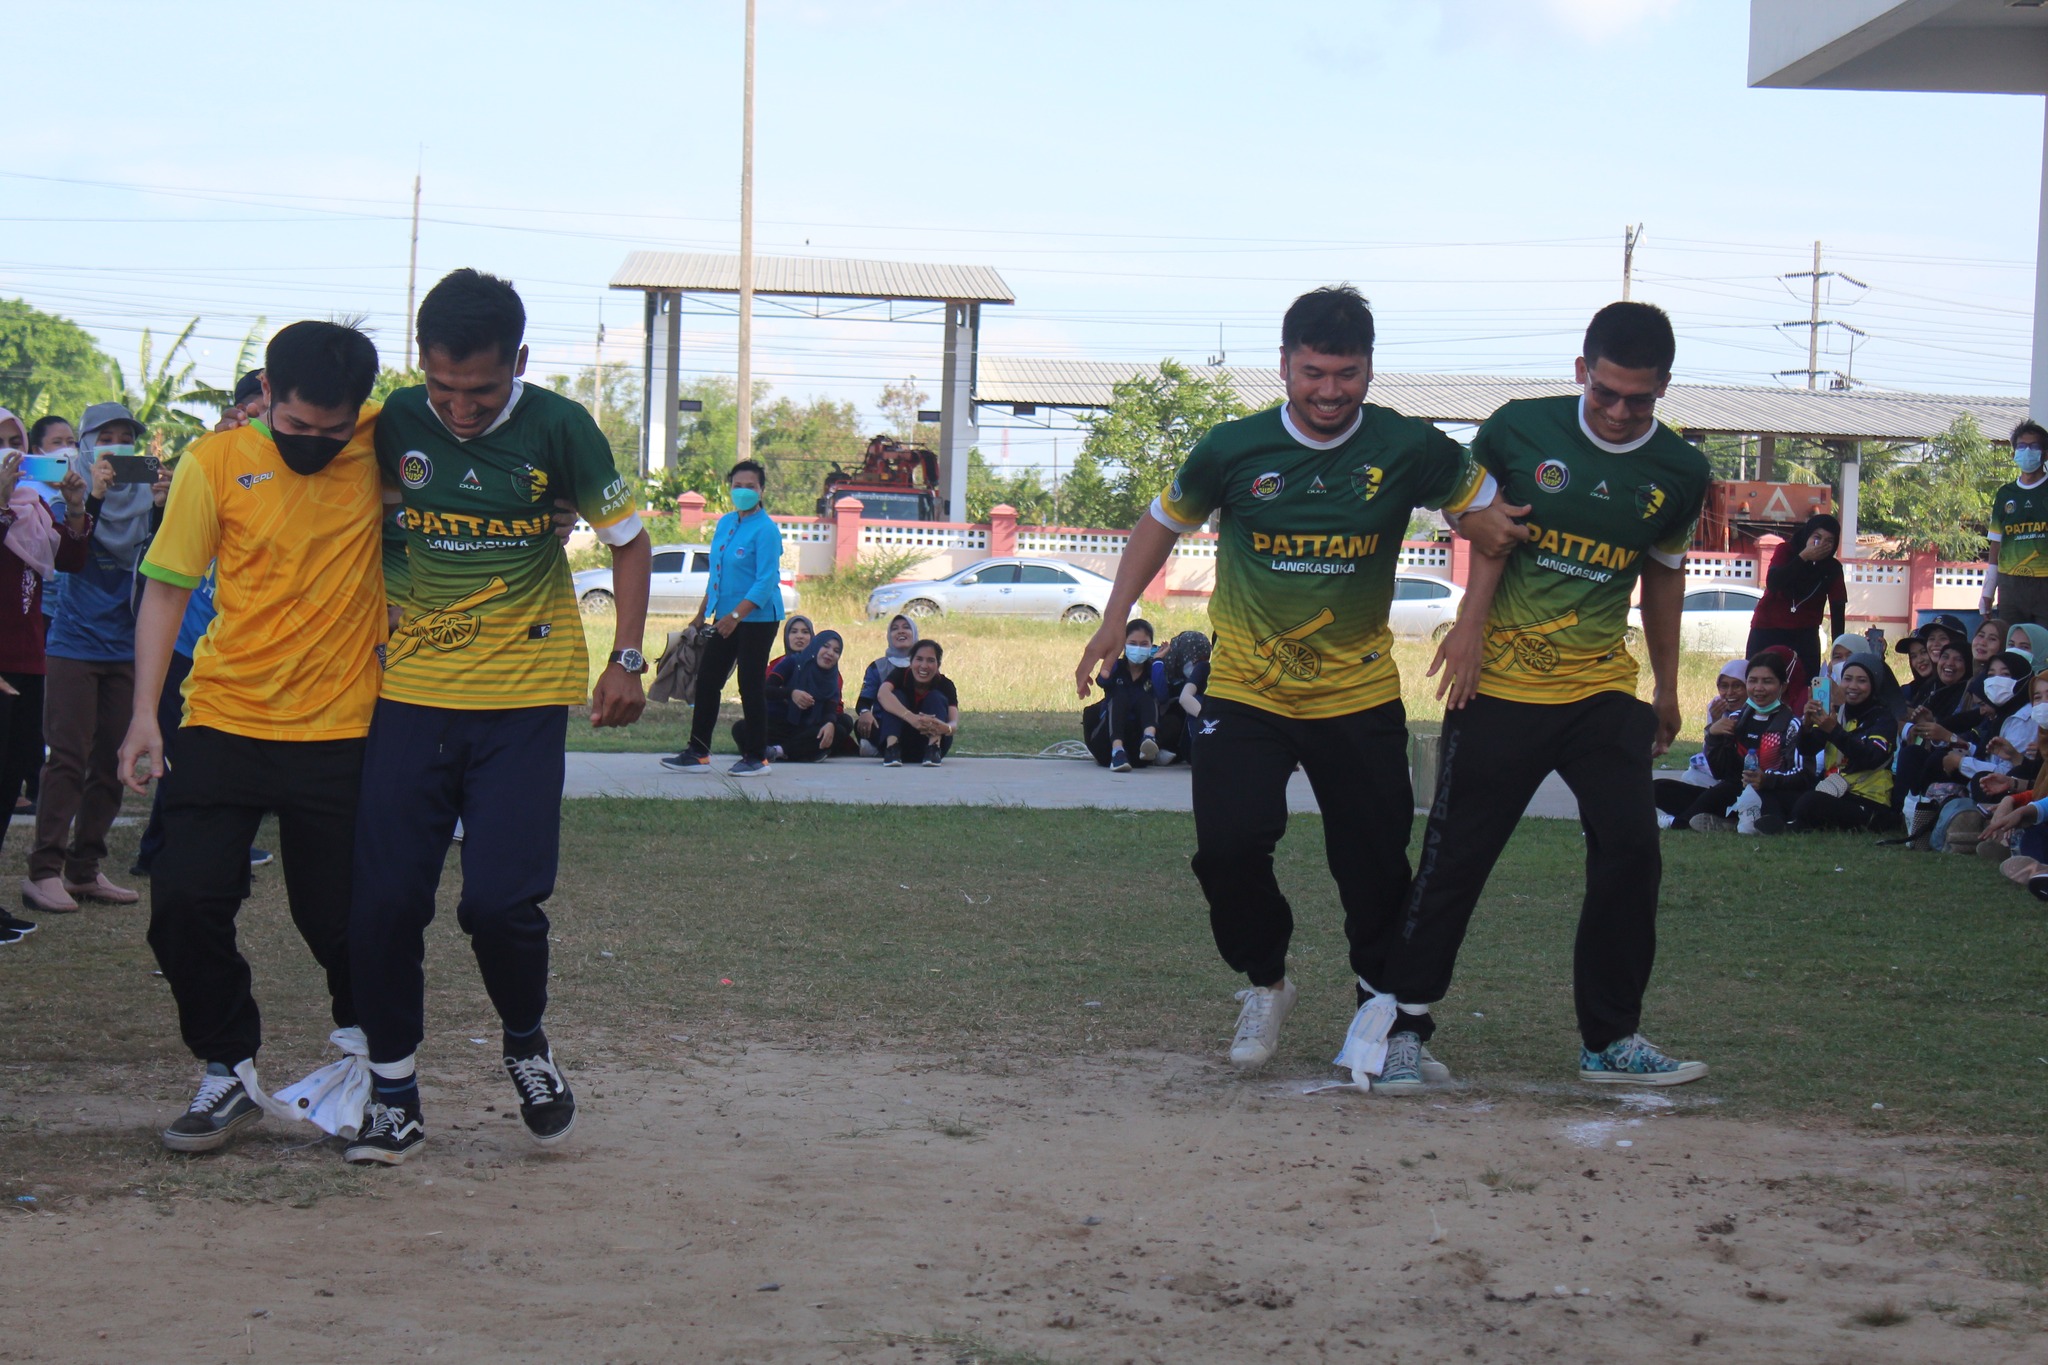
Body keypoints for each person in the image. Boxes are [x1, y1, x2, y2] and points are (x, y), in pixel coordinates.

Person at [1071, 285, 1521, 1076]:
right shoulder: (1233, 448)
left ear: (1370, 371)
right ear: (1283, 366)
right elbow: (1159, 522)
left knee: (1377, 866)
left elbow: (1492, 519)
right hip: (1247, 687)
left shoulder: (1408, 446)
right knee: (1228, 848)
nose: (1329, 390)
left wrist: (1475, 611)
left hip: (1358, 693)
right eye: (1313, 371)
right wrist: (1116, 614)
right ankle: (1266, 981)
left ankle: (1381, 1029)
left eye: (1346, 373)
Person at [1359, 301, 1713, 1092]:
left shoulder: (1680, 472)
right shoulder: (1520, 429)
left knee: (1631, 851)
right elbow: (1487, 528)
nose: (1622, 412)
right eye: (1608, 392)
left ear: (1664, 388)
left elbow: (1662, 576)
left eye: (1641, 399)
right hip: (1502, 686)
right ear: (1582, 370)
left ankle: (1610, 1041)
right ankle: (1404, 1026)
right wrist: (1470, 629)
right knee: (1457, 859)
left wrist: (1664, 685)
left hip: (1601, 691)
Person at [344, 269, 651, 1165]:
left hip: (523, 699)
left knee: (499, 903)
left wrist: (628, 657)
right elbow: (305, 455)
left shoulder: (561, 426)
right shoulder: (392, 420)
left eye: (479, 389)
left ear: (517, 361)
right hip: (407, 697)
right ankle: (392, 1092)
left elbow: (630, 544)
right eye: (443, 387)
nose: (460, 407)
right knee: (388, 902)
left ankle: (526, 1041)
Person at [115, 322, 386, 1153]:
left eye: (331, 432)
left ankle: (362, 1063)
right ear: (265, 393)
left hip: (343, 729)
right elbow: (164, 591)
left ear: (359, 412)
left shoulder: (387, 440)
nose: (314, 444)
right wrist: (142, 715)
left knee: (338, 918)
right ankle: (226, 1065)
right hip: (223, 718)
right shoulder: (215, 461)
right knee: (185, 902)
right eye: (297, 427)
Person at [132, 370, 277, 879]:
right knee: (183, 760)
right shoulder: (211, 464)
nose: (259, 424)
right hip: (190, 645)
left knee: (201, 766)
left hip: (234, 649)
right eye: (250, 415)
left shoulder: (293, 473)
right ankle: (161, 851)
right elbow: (167, 581)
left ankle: (188, 849)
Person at [23, 402, 167, 913]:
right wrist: (95, 500)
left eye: (125, 437)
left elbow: (160, 568)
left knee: (111, 761)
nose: (116, 446)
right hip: (74, 646)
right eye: (105, 436)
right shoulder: (69, 495)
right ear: (85, 443)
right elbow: (72, 557)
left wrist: (158, 506)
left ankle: (84, 870)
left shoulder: (146, 498)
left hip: (127, 649)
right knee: (66, 758)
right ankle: (44, 872)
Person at [0, 410, 90, 944]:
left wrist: (77, 507)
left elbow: (72, 559)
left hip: (30, 657)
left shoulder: (31, 508)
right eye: (1, 443)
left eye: (16, 443)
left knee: (11, 779)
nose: (11, 452)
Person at [666, 460, 784, 777]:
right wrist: (701, 615)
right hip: (724, 618)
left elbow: (765, 581)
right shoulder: (726, 523)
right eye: (737, 485)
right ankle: (698, 751)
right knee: (708, 680)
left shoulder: (767, 530)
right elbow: (717, 575)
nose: (743, 491)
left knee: (750, 683)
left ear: (761, 490)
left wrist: (735, 617)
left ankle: (757, 757)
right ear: (729, 488)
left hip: (758, 618)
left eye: (750, 486)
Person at [1680, 652, 1808, 834]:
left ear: (1783, 686)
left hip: (1774, 792)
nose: (1759, 688)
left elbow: (1802, 776)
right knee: (1662, 788)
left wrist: (1767, 779)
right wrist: (1713, 736)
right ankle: (1727, 820)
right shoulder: (1735, 720)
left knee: (1757, 795)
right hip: (1737, 790)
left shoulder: (1792, 724)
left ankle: (1689, 821)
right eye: (1753, 681)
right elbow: (1721, 772)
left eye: (1767, 681)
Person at [1788, 654, 1903, 832]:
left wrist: (1834, 731)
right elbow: (1807, 749)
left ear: (1874, 685)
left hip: (1870, 801)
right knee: (1793, 796)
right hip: (1836, 792)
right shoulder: (1837, 713)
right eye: (1847, 679)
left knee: (1810, 803)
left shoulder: (1883, 718)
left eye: (1862, 681)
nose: (1853, 687)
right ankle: (1794, 824)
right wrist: (1807, 725)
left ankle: (1791, 826)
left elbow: (1871, 757)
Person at [1745, 513, 1845, 683]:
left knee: (1806, 685)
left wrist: (1838, 651)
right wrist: (1804, 557)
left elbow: (1838, 607)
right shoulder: (1786, 551)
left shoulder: (1832, 568)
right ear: (1807, 535)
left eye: (1829, 541)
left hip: (1804, 633)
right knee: (1760, 680)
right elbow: (1773, 582)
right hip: (1768, 628)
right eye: (1817, 538)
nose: (1821, 545)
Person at [1651, 659, 1749, 821]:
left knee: (1722, 790)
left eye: (1737, 686)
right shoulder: (1717, 707)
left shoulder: (1755, 715)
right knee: (1658, 787)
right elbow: (1715, 765)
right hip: (1715, 780)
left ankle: (1680, 821)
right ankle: (1705, 815)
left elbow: (1730, 772)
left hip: (1737, 788)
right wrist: (1713, 728)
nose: (1729, 692)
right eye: (1724, 686)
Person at [1981, 420, 2048, 626]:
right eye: (2021, 447)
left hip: (2044, 582)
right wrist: (1988, 591)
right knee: (2012, 648)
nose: (2027, 452)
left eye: (2034, 446)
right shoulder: (2005, 494)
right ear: (2013, 454)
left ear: (2045, 453)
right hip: (2010, 585)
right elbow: (1996, 543)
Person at [755, 629, 850, 762]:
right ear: (816, 645)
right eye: (826, 646)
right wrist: (791, 693)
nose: (830, 653)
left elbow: (830, 709)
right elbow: (765, 690)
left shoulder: (832, 678)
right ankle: (803, 752)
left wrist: (829, 723)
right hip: (783, 723)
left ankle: (779, 751)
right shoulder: (793, 662)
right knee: (742, 728)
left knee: (841, 726)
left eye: (836, 651)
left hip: (809, 728)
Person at [1094, 618, 1163, 772]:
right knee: (1119, 698)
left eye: (1144, 644)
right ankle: (1117, 751)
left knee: (1147, 698)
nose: (1138, 648)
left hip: (1138, 747)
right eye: (1132, 643)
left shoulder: (1152, 670)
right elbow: (1102, 681)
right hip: (1108, 740)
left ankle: (1149, 738)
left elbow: (1162, 695)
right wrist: (1111, 657)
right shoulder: (1117, 667)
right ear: (1123, 644)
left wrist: (1158, 661)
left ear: (1151, 646)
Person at [876, 638, 959, 766]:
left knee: (936, 697)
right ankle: (892, 748)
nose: (924, 666)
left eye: (930, 660)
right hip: (901, 740)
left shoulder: (946, 684)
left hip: (927, 742)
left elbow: (954, 723)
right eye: (919, 659)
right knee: (895, 696)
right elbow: (882, 694)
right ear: (911, 661)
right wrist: (912, 718)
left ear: (938, 665)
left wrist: (945, 728)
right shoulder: (900, 674)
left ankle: (933, 749)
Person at [855, 614, 919, 755]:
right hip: (884, 725)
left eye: (906, 627)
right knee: (861, 725)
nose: (900, 631)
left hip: (915, 724)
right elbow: (863, 701)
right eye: (894, 629)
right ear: (889, 636)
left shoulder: (923, 664)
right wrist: (865, 713)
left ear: (914, 633)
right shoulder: (877, 666)